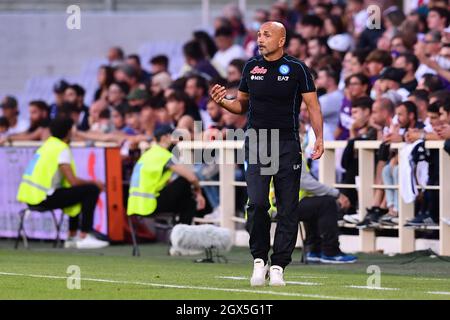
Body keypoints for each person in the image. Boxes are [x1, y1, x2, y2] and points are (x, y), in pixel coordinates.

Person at [210, 21, 323, 287]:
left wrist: (319, 138)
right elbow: (241, 105)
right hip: (257, 142)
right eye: (259, 34)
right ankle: (259, 260)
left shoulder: (298, 69)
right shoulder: (251, 67)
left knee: (288, 208)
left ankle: (279, 265)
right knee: (258, 203)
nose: (261, 39)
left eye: (267, 35)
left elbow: (313, 106)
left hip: (287, 144)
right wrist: (223, 102)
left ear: (281, 40)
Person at [16, 117, 108, 249]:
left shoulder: (47, 145)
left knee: (79, 192)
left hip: (31, 197)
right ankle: (84, 235)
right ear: (69, 131)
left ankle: (72, 237)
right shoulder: (61, 148)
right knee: (91, 189)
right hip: (43, 197)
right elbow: (73, 181)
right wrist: (95, 183)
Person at [127, 124, 206, 225]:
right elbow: (192, 178)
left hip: (135, 205)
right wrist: (199, 194)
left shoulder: (147, 154)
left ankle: (179, 233)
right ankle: (180, 234)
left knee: (187, 201)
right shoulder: (164, 155)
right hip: (150, 205)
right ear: (165, 138)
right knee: (185, 184)